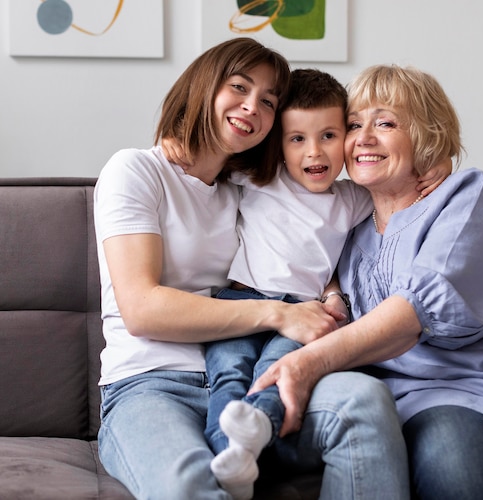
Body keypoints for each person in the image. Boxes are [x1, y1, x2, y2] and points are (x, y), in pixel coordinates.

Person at [251, 64, 483, 499]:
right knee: (461, 482)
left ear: (425, 134)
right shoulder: (343, 224)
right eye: (353, 125)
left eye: (386, 123)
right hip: (429, 393)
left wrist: (308, 362)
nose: (364, 138)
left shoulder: (466, 193)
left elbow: (419, 308)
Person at [94, 39, 411, 500]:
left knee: (364, 404)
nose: (252, 107)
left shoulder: (244, 189)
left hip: (260, 376)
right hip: (154, 384)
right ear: (204, 85)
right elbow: (142, 309)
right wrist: (280, 313)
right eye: (239, 87)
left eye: (267, 101)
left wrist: (330, 291)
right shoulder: (137, 171)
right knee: (188, 487)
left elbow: (300, 245)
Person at [162, 68, 451, 498]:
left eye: (329, 136)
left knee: (275, 374)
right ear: (278, 144)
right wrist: (177, 140)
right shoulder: (258, 179)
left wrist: (438, 165)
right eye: (297, 139)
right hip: (240, 302)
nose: (313, 152)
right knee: (227, 376)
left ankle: (257, 431)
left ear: (346, 138)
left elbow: (399, 186)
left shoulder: (353, 198)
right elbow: (211, 157)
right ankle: (230, 457)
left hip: (304, 312)